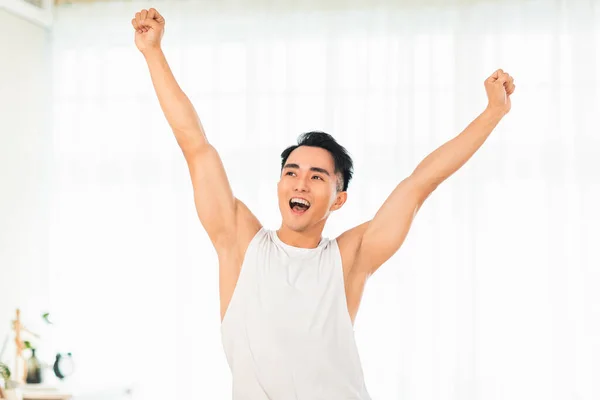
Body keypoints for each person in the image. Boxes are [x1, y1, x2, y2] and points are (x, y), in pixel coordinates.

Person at [131, 8, 515, 399]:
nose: (301, 183)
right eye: (292, 172)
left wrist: (493, 113)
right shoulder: (240, 243)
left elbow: (420, 184)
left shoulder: (349, 259)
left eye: (317, 177)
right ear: (280, 183)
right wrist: (152, 52)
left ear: (338, 199)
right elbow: (195, 145)